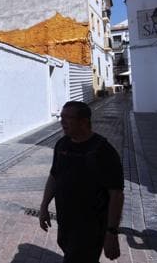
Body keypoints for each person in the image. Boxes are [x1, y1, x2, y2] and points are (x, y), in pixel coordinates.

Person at [39, 101, 124, 262]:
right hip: (66, 222)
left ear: (84, 121)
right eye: (61, 117)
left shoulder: (103, 151)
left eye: (67, 118)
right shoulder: (62, 144)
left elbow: (116, 194)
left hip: (90, 226)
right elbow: (54, 176)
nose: (62, 122)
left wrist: (112, 232)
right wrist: (44, 206)